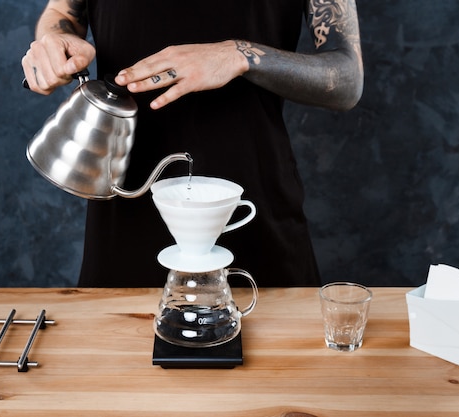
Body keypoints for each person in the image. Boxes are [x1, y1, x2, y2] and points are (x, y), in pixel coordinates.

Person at [21, 0, 363, 287]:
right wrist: (54, 41)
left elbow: (347, 77)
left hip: (252, 210)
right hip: (125, 214)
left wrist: (238, 55)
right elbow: (63, 14)